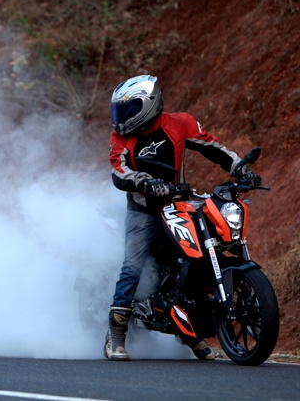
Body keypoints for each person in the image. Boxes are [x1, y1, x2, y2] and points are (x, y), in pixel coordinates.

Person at [104, 74, 261, 361]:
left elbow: (212, 146)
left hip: (177, 201)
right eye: (119, 111)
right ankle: (115, 337)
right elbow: (119, 171)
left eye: (128, 109)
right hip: (143, 210)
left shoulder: (180, 123)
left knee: (197, 254)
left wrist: (240, 168)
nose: (121, 118)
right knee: (132, 266)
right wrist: (144, 181)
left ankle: (191, 333)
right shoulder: (121, 137)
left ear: (148, 104)